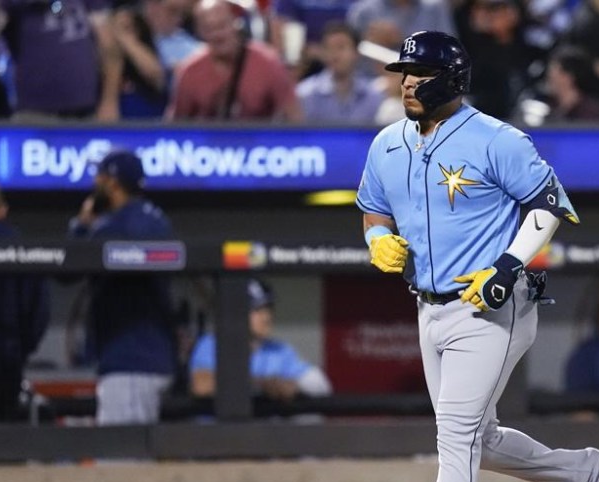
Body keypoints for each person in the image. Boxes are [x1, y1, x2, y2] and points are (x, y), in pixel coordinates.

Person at [357, 31, 599, 482]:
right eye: (403, 72)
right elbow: (374, 205)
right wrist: (376, 239)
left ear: (451, 78)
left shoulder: (497, 138)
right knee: (478, 437)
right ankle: (579, 474)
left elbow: (549, 202)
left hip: (493, 307)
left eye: (419, 73)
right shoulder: (387, 143)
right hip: (428, 306)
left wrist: (507, 265)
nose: (408, 82)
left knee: (456, 442)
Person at [67, 150, 176, 425]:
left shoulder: (114, 226)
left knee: (119, 461)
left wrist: (82, 226)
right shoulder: (154, 219)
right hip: (149, 357)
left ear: (113, 183)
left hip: (130, 361)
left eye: (99, 177)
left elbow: (65, 272)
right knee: (133, 460)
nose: (95, 182)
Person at [188, 279, 332, 400]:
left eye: (268, 309)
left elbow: (319, 385)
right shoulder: (211, 344)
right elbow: (201, 386)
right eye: (257, 310)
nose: (266, 317)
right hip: (219, 431)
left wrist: (295, 386)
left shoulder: (279, 350)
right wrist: (262, 385)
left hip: (265, 431)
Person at [0, 181, 49, 422]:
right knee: (3, 435)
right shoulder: (23, 247)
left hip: (2, 353)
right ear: (2, 210)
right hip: (8, 358)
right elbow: (39, 311)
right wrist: (22, 349)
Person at [167, 0, 302, 121]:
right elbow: (174, 129)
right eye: (209, 29)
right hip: (206, 147)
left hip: (259, 146)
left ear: (236, 23)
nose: (217, 35)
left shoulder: (268, 64)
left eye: (221, 26)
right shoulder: (190, 71)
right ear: (200, 32)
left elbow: (294, 117)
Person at [0, 0, 122, 120]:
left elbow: (109, 48)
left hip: (86, 111)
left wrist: (109, 100)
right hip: (34, 112)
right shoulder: (12, 4)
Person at [296, 21, 384, 123]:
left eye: (341, 47)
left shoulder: (374, 96)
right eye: (329, 48)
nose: (335, 54)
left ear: (356, 52)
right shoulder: (305, 95)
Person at [543, 45, 599, 121]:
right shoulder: (546, 107)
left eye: (552, 72)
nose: (548, 77)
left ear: (569, 76)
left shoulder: (591, 111)